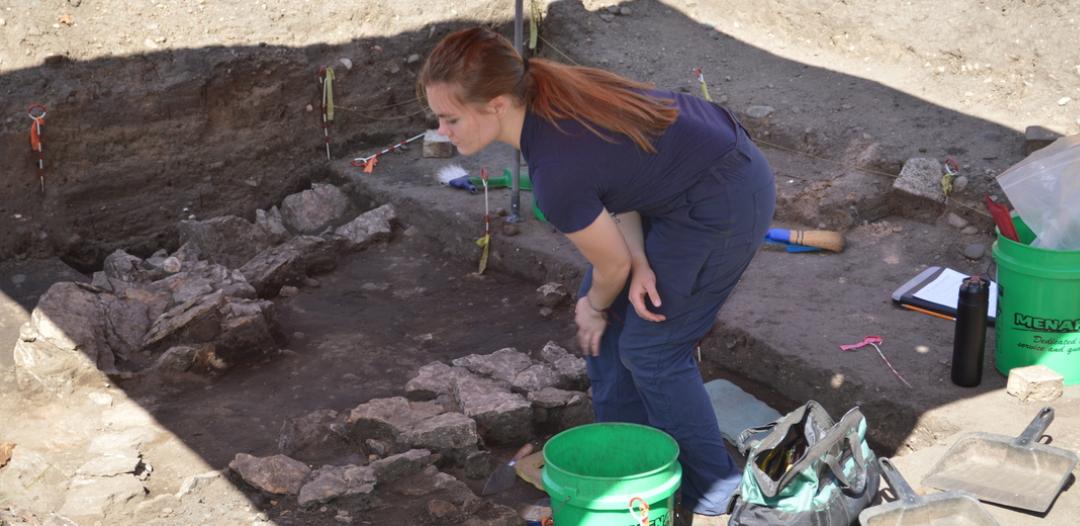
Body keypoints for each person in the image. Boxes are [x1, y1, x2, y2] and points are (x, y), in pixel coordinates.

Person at [419, 27, 775, 524]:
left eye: (450, 118)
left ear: (497, 104)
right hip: (675, 186)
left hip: (723, 197)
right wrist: (640, 260)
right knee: (607, 327)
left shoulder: (555, 171)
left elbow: (611, 265)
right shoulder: (543, 99)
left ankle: (715, 495)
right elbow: (618, 187)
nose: (441, 130)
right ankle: (625, 463)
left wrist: (598, 298)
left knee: (651, 348)